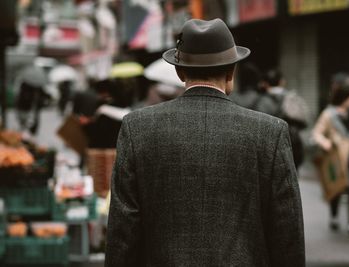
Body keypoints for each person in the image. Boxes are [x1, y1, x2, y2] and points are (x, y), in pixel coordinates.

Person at [105, 18, 305, 266]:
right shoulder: (270, 132)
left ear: (179, 71)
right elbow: (287, 234)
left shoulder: (137, 128)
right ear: (232, 71)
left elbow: (122, 232)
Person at [312, 72, 349, 237]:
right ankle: (334, 215)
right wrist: (325, 142)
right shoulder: (328, 114)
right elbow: (316, 133)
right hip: (336, 157)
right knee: (337, 189)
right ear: (345, 97)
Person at [258, 69, 308, 169]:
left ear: (265, 83)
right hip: (291, 146)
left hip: (269, 149)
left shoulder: (261, 101)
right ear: (282, 82)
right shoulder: (292, 98)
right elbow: (304, 121)